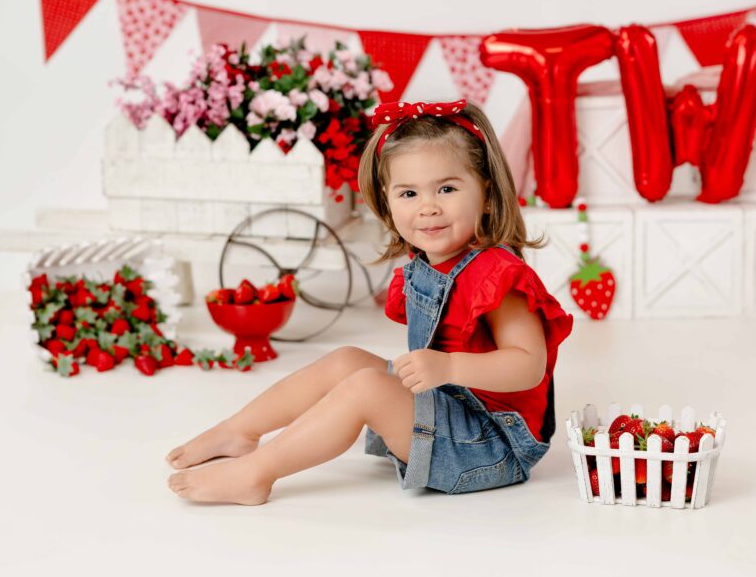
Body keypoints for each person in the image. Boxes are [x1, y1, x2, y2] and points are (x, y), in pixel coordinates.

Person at [166, 98, 573, 503]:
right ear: (387, 199)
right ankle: (240, 431)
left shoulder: (497, 274)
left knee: (366, 388)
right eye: (409, 193)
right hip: (448, 411)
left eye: (447, 188)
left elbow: (528, 366)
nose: (428, 207)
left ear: (485, 193)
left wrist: (450, 365)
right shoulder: (425, 265)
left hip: (492, 445)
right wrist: (441, 372)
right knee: (346, 360)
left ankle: (255, 474)